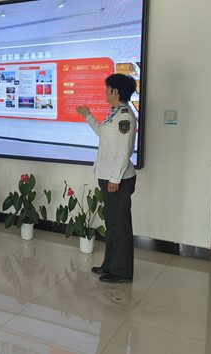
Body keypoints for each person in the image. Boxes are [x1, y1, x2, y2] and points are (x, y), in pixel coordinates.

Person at [76, 73, 137, 284]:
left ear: (115, 91)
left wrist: (115, 179)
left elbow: (124, 151)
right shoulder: (115, 114)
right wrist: (88, 116)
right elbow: (103, 133)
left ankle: (122, 272)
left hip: (117, 180)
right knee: (112, 224)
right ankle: (110, 265)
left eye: (107, 88)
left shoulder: (125, 117)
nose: (105, 92)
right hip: (109, 177)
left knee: (119, 225)